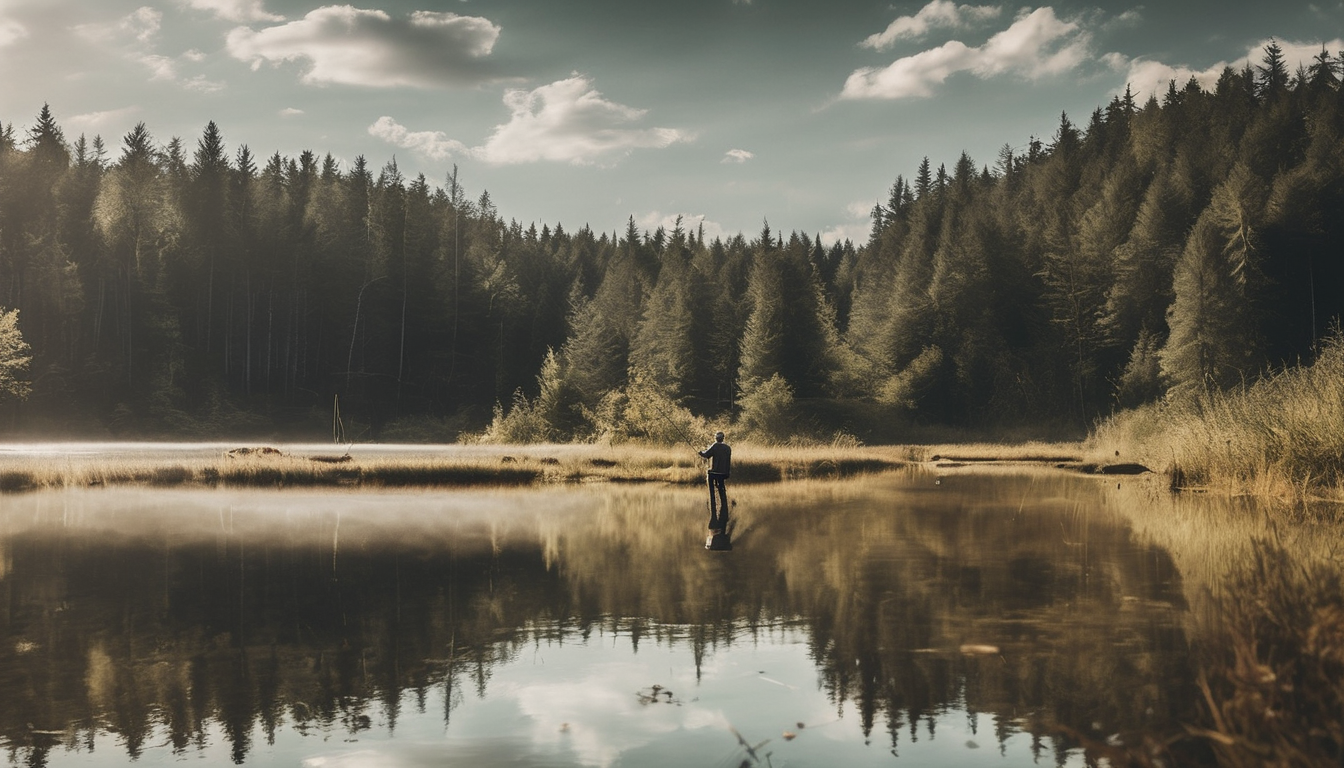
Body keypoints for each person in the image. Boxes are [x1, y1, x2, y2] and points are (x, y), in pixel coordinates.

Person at [699, 431, 731, 524]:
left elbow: (706, 455)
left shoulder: (715, 446)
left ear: (716, 438)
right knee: (721, 487)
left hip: (714, 472)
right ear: (723, 438)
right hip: (724, 473)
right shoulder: (728, 448)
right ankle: (724, 505)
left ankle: (713, 507)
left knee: (711, 488)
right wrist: (727, 473)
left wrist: (701, 453)